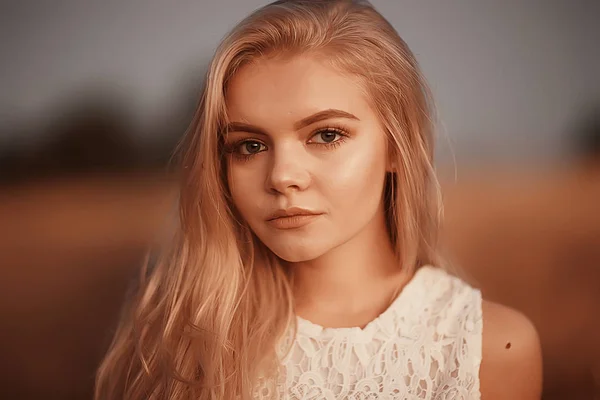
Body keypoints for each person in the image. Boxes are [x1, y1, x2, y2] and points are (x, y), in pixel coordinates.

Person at [95, 1, 543, 398]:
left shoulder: (489, 348)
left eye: (326, 135)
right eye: (250, 145)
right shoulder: (178, 338)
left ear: (395, 147)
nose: (283, 177)